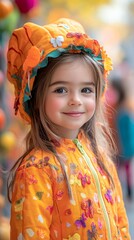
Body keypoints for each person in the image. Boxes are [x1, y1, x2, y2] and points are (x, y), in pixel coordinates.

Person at [7, 18, 131, 240]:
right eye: (61, 90)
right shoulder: (37, 169)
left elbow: (120, 222)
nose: (76, 100)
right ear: (36, 97)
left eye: (85, 89)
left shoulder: (100, 157)